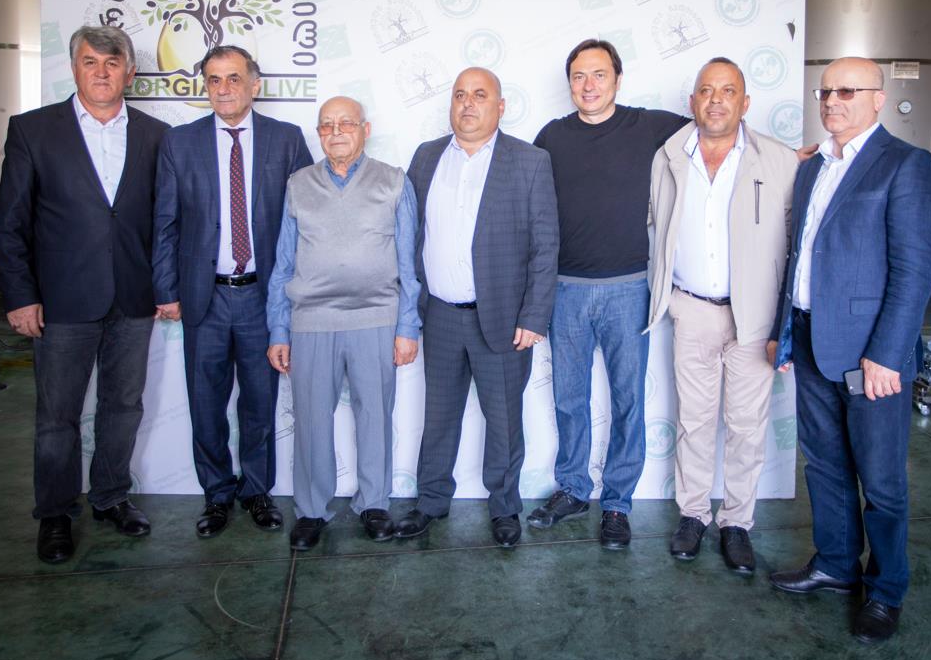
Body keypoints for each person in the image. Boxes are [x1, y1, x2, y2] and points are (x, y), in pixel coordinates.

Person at [768, 57, 931, 643]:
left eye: (847, 91)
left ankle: (886, 589)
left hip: (872, 354)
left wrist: (887, 354)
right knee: (824, 464)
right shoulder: (815, 166)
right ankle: (837, 565)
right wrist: (784, 331)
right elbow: (799, 257)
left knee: (881, 479)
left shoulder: (906, 164)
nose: (832, 101)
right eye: (825, 91)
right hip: (810, 338)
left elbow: (915, 272)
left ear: (878, 98)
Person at [0, 25, 170, 563]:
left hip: (133, 299)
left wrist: (165, 287)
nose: (101, 72)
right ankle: (55, 513)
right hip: (62, 301)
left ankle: (111, 496)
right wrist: (20, 296)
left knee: (124, 406)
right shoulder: (33, 130)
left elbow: (165, 223)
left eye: (112, 63)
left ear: (129, 73)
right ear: (74, 68)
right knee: (57, 416)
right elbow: (10, 223)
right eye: (90, 61)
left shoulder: (156, 135)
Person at [528, 38, 687, 549]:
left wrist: (783, 155)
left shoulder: (649, 126)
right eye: (578, 76)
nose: (588, 85)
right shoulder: (552, 136)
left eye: (599, 74)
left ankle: (617, 503)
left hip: (628, 288)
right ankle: (573, 488)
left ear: (618, 79)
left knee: (628, 400)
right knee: (569, 398)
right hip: (566, 290)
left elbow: (717, 129)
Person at [152, 45, 312, 539]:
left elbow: (308, 219)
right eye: (214, 80)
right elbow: (165, 223)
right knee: (206, 403)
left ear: (254, 85)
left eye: (234, 78)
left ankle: (257, 491)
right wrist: (166, 289)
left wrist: (299, 293)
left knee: (260, 401)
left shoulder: (287, 139)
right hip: (204, 297)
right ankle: (217, 493)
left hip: (265, 297)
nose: (223, 89)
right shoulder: (180, 143)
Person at [646, 57, 798, 574]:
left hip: (754, 317)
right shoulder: (668, 156)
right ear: (692, 101)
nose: (716, 100)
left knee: (747, 427)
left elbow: (797, 244)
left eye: (727, 91)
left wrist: (785, 325)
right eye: (706, 90)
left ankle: (736, 523)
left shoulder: (780, 160)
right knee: (693, 422)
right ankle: (693, 515)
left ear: (745, 102)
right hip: (691, 309)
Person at [395, 67, 559, 548]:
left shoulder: (530, 162)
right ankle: (430, 501)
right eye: (460, 95)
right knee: (438, 416)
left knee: (504, 420)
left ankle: (504, 507)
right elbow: (411, 236)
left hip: (504, 320)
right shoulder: (426, 157)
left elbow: (545, 246)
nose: (468, 104)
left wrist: (534, 317)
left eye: (480, 95)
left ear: (500, 106)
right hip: (440, 315)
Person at [265, 96, 421, 551]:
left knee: (375, 415)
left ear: (365, 129)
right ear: (318, 133)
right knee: (312, 420)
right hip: (311, 321)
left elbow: (408, 263)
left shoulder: (393, 181)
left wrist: (407, 326)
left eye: (346, 123)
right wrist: (279, 329)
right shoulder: (299, 184)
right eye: (326, 125)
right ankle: (312, 510)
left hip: (377, 318)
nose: (336, 132)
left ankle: (374, 503)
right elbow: (283, 263)